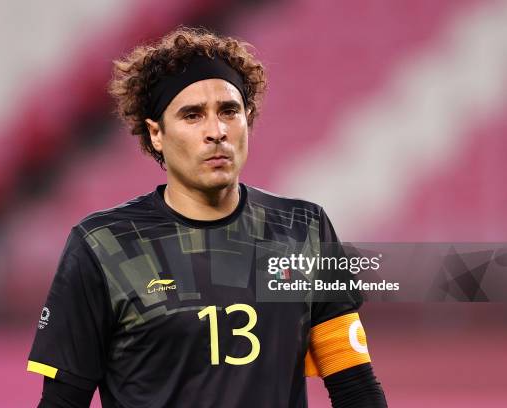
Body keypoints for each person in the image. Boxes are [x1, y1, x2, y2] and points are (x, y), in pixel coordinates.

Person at [27, 26, 387, 408]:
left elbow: (354, 387)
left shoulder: (303, 229)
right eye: (192, 115)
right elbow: (62, 403)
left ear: (247, 119)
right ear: (156, 134)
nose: (216, 132)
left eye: (229, 111)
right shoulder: (103, 245)